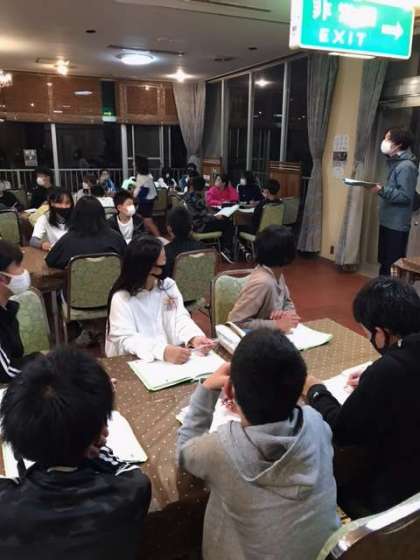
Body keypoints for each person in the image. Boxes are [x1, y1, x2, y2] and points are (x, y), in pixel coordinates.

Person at [177, 329, 339, 560]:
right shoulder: (315, 421)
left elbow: (184, 452)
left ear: (229, 390)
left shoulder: (219, 449)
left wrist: (206, 390)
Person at [0, 347, 151, 559]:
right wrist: (93, 421)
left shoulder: (5, 501)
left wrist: (91, 418)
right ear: (99, 434)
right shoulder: (132, 488)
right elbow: (126, 469)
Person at [304, 277, 420, 516]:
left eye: (369, 333)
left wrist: (315, 390)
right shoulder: (398, 361)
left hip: (397, 499)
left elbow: (342, 429)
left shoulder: (388, 372)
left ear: (381, 332)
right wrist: (374, 370)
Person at [106, 236, 213, 363]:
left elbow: (179, 317)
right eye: (160, 265)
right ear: (145, 268)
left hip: (168, 359)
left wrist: (193, 337)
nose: (164, 268)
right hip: (137, 361)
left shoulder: (167, 286)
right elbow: (126, 339)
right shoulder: (121, 297)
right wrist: (162, 351)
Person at [228, 225, 300, 331]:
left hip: (271, 334)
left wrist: (287, 314)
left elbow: (287, 301)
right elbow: (235, 322)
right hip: (256, 338)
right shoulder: (263, 282)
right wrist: (276, 324)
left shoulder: (277, 273)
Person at [370, 128, 418, 276]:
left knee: (392, 266)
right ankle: (381, 289)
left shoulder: (406, 166)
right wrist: (383, 190)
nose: (384, 142)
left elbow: (405, 196)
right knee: (384, 262)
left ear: (398, 144)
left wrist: (382, 190)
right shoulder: (396, 163)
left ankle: (390, 291)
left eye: (388, 139)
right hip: (388, 221)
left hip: (397, 225)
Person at [46, 196, 126, 270]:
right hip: (113, 281)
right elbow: (127, 260)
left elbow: (50, 260)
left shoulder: (67, 241)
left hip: (77, 281)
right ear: (102, 214)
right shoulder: (116, 238)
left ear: (76, 215)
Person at [0, 240, 32, 382]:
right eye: (18, 266)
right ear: (2, 278)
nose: (24, 272)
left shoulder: (7, 308)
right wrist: (44, 362)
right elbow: (6, 371)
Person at [184, 175, 234, 260]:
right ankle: (226, 250)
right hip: (201, 226)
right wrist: (215, 217)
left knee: (222, 222)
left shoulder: (189, 196)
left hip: (194, 225)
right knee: (228, 223)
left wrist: (213, 215)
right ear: (203, 187)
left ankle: (220, 248)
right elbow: (204, 216)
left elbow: (203, 213)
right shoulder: (198, 199)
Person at [164, 207, 205, 278]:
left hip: (175, 285)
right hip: (202, 284)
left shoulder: (166, 252)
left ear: (169, 228)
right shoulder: (202, 247)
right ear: (191, 227)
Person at [133, 156, 159, 237]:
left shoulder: (141, 176)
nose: (133, 164)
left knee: (148, 221)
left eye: (134, 162)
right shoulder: (148, 175)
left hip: (145, 201)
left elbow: (138, 192)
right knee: (145, 221)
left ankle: (160, 239)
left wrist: (133, 193)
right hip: (149, 201)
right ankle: (146, 237)